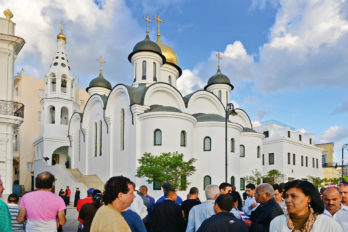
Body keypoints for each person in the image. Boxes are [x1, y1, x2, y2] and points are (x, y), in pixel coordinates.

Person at [270, 180, 343, 232]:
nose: (287, 200)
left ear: (309, 198)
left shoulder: (328, 225)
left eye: (294, 196)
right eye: (286, 196)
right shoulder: (277, 222)